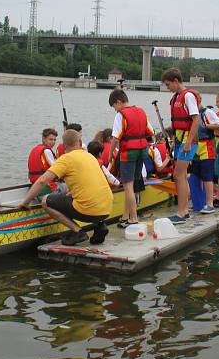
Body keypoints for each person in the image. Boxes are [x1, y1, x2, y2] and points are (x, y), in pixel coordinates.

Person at [18, 129, 113, 245]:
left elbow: (42, 181)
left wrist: (25, 202)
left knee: (45, 201)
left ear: (64, 145)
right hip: (107, 208)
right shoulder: (90, 156)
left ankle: (78, 231)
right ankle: (99, 226)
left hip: (89, 211)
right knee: (74, 194)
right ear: (80, 141)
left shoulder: (66, 159)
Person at [107, 89, 155, 225]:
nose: (115, 109)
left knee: (128, 186)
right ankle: (125, 216)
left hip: (128, 152)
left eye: (114, 106)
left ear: (118, 102)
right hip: (142, 151)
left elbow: (115, 138)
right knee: (133, 183)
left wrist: (111, 154)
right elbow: (151, 132)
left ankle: (133, 218)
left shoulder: (120, 115)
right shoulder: (141, 111)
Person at [162, 68, 200, 223]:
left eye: (168, 84)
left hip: (187, 142)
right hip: (179, 141)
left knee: (178, 175)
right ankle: (184, 210)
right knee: (182, 175)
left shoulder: (188, 96)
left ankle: (182, 212)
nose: (167, 87)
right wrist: (174, 144)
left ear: (176, 81)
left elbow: (196, 120)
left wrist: (188, 142)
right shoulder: (175, 97)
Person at [191, 103, 219, 213]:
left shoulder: (207, 112)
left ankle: (210, 204)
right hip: (195, 146)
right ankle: (199, 203)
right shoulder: (192, 113)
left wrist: (206, 125)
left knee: (207, 176)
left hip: (207, 146)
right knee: (195, 175)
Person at [27, 128, 58, 197]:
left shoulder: (35, 149)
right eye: (50, 139)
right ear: (44, 139)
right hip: (46, 187)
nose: (53, 142)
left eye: (54, 140)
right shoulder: (47, 151)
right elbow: (57, 169)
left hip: (34, 186)